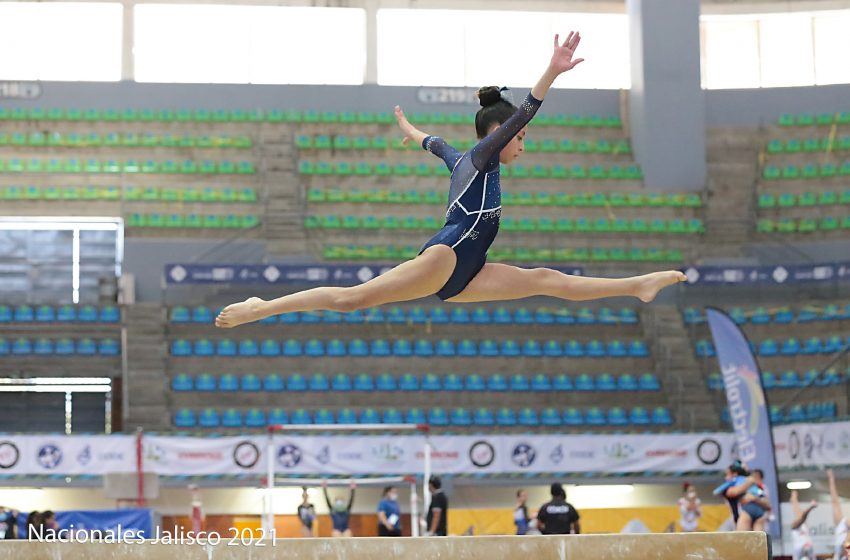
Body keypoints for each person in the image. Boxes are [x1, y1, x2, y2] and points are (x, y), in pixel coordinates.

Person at [214, 31, 686, 330]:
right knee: (349, 300)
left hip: (470, 268)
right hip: (448, 256)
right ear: (498, 135)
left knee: (547, 280)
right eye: (519, 138)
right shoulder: (482, 158)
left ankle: (637, 284)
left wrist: (410, 132)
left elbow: (433, 141)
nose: (523, 144)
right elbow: (525, 109)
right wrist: (552, 72)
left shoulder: (468, 159)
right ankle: (261, 306)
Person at [828, 468, 850, 560]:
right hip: (841, 544)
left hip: (841, 543)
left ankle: (831, 479)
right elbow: (834, 502)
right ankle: (831, 479)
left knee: (835, 503)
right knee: (835, 503)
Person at [789, 489, 816, 560]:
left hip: (806, 548)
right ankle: (793, 499)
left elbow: (800, 513)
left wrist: (794, 498)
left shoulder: (803, 525)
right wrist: (810, 507)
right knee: (799, 514)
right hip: (800, 550)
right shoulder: (794, 525)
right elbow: (803, 517)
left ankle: (793, 499)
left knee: (798, 512)